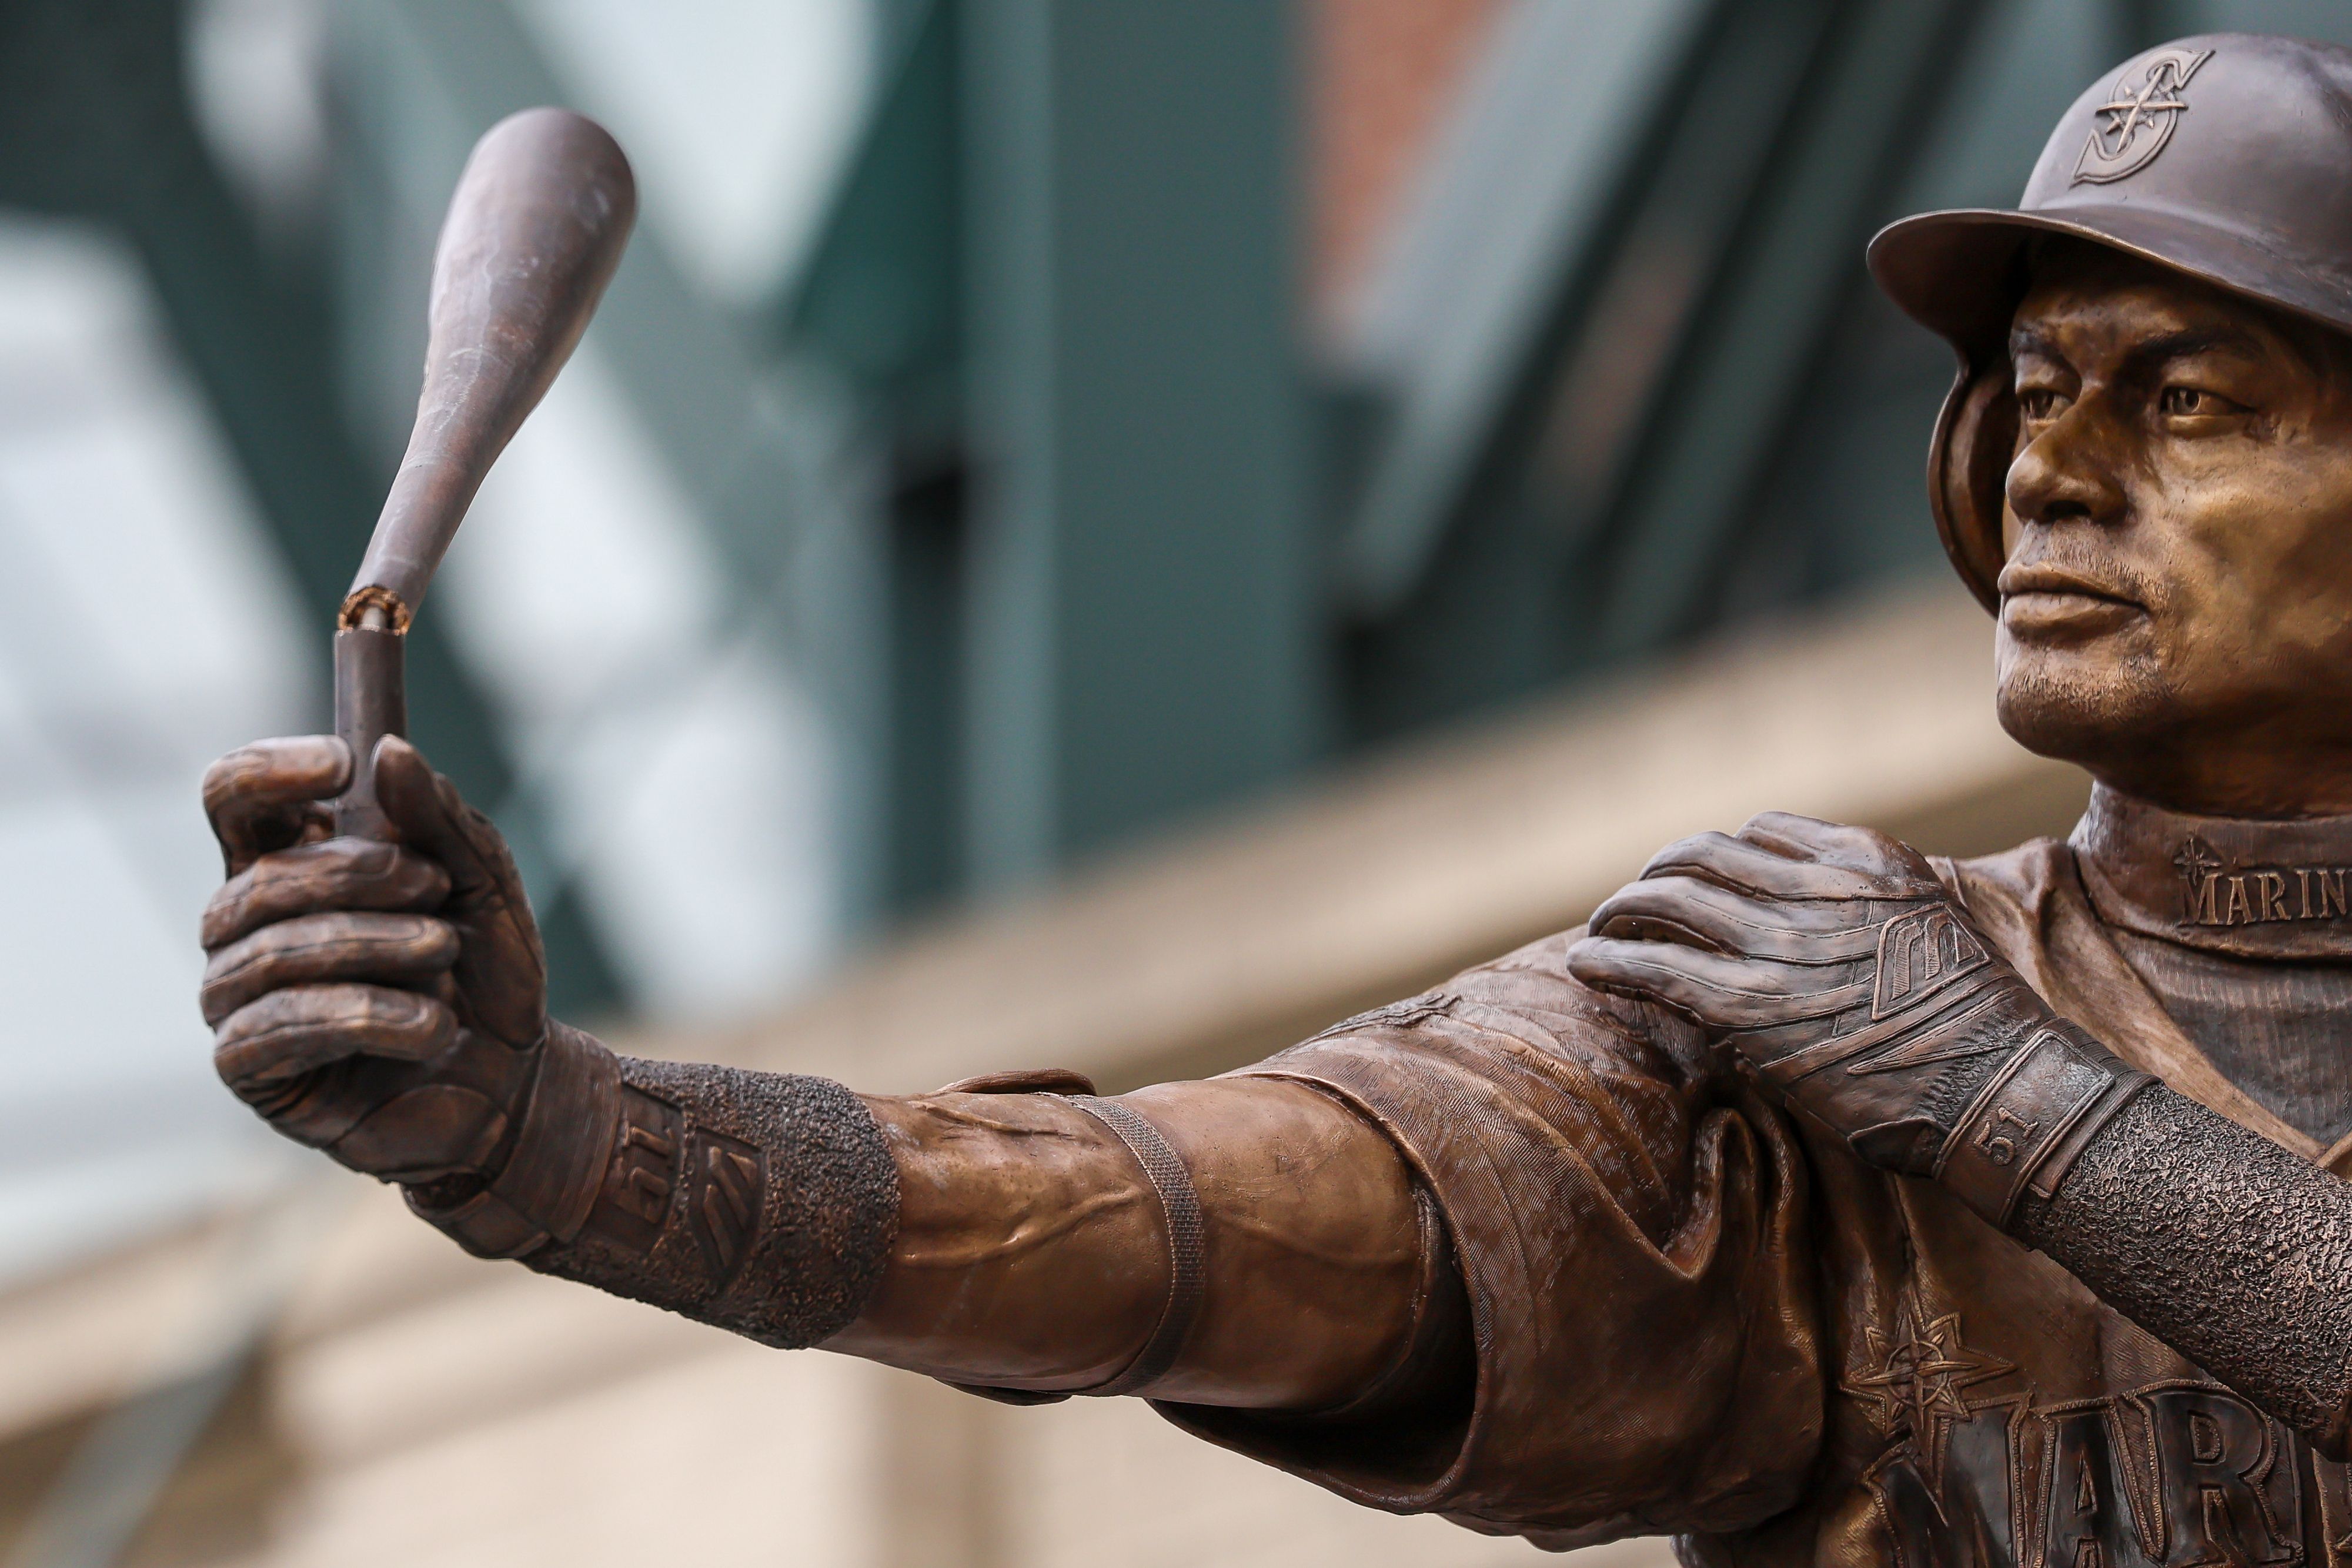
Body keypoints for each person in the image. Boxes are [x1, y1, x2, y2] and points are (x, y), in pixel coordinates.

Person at [198, 34, 2352, 1566]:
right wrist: (558, 1136)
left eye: (2189, 402)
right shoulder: (1821, 1006)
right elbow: (1179, 1218)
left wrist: (2004, 1093)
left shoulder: (1911, 1037)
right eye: (2039, 395)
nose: (2060, 471)